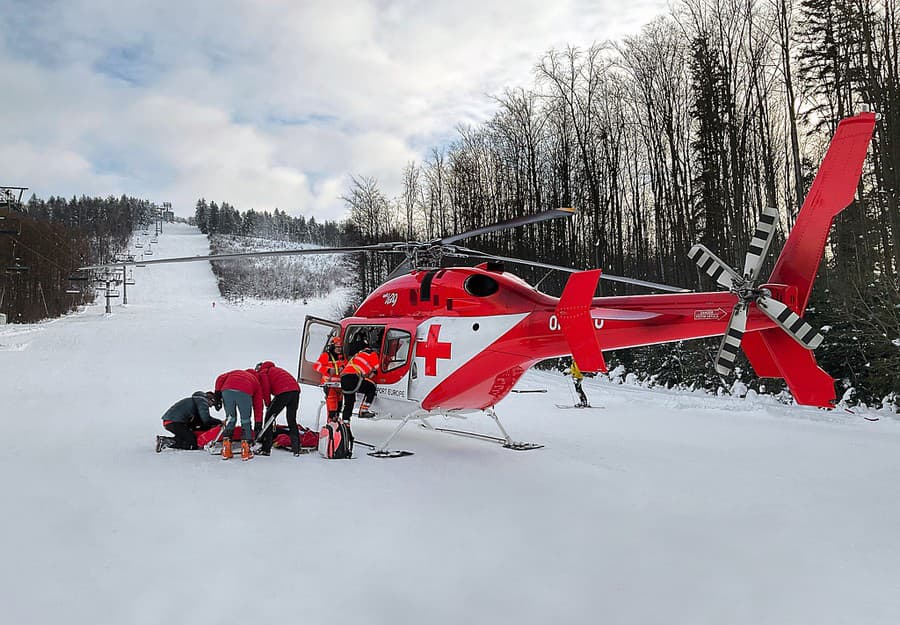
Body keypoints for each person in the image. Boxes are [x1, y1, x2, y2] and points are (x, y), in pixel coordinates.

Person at [253, 361, 301, 456]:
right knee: (291, 419)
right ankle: (296, 447)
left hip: (283, 391)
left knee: (269, 419)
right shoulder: (275, 370)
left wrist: (268, 404)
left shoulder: (263, 372)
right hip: (295, 390)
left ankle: (266, 448)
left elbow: (265, 389)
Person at [214, 369, 264, 460]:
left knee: (230, 418)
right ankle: (246, 450)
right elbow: (258, 406)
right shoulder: (256, 382)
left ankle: (226, 449)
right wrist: (258, 423)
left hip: (227, 390)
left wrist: (217, 395)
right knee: (245, 420)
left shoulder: (236, 372)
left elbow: (220, 378)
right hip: (245, 392)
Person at [156, 391, 223, 452]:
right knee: (192, 444)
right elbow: (206, 419)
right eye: (213, 404)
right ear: (211, 399)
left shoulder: (196, 400)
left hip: (171, 421)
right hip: (174, 422)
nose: (211, 406)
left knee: (187, 436)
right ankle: (165, 441)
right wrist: (219, 422)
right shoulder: (202, 401)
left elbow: (199, 421)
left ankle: (168, 440)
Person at [340, 343, 379, 423]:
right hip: (354, 377)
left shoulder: (358, 354)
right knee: (371, 387)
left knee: (349, 402)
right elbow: (377, 368)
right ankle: (363, 410)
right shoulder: (373, 354)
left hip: (344, 378)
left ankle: (345, 421)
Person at [313, 335, 347, 422]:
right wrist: (328, 370)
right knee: (332, 405)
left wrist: (343, 369)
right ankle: (331, 421)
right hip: (329, 384)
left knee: (339, 405)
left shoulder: (342, 357)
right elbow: (316, 366)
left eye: (340, 347)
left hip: (340, 385)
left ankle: (335, 422)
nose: (339, 349)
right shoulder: (326, 355)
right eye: (337, 347)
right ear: (333, 346)